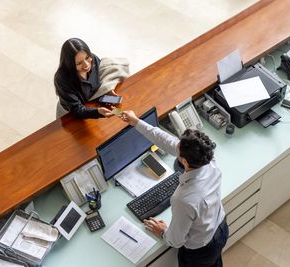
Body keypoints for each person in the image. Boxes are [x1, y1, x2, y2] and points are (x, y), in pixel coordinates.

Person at [120, 110, 229, 267]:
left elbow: (176, 241)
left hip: (201, 251)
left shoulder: (183, 198)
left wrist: (164, 231)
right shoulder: (209, 158)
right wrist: (136, 121)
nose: (175, 145)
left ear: (184, 161)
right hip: (221, 229)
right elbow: (166, 140)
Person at [54, 38, 116, 119]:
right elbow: (76, 109)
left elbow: (102, 77)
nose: (86, 65)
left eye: (87, 58)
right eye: (79, 63)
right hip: (70, 113)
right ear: (70, 64)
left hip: (92, 105)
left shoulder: (94, 59)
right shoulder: (62, 80)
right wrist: (97, 112)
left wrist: (107, 90)